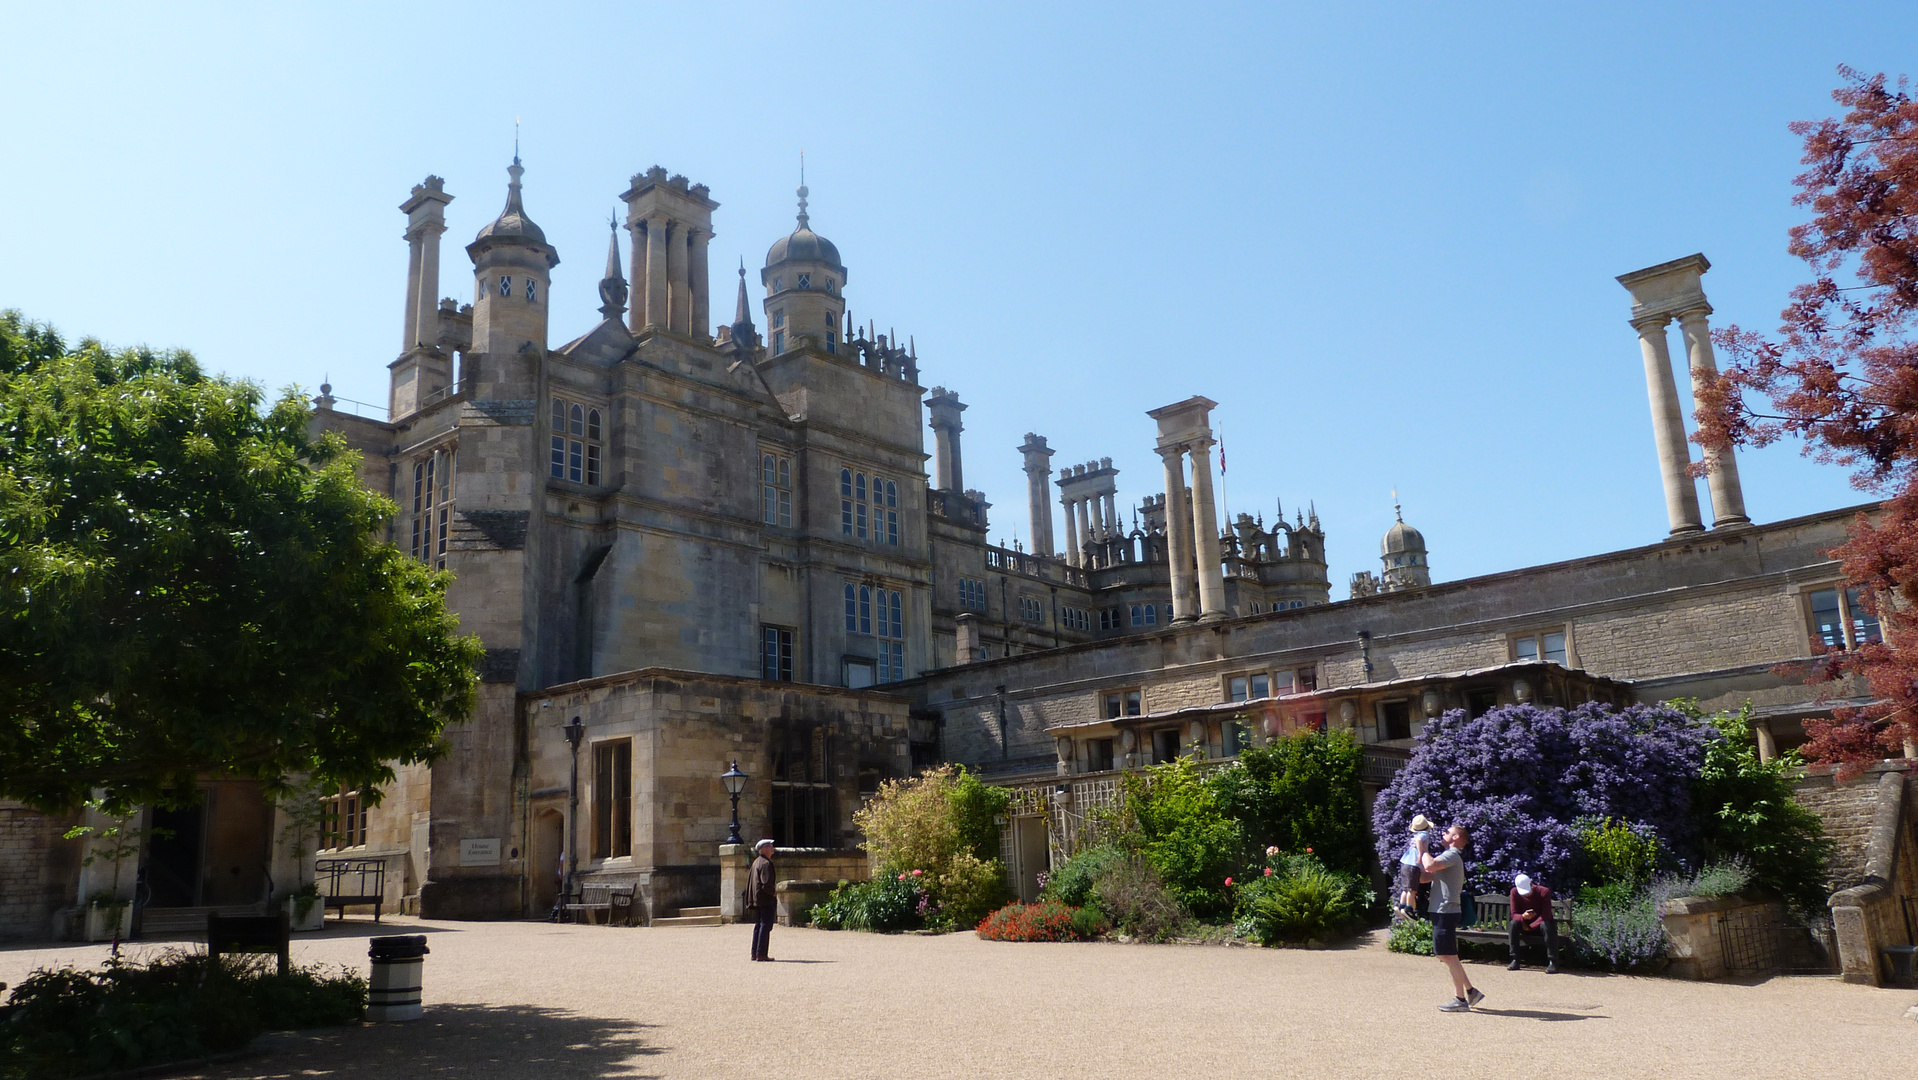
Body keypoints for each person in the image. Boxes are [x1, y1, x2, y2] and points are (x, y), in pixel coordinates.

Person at [1420, 824, 1483, 1012]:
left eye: (1447, 832)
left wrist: (1422, 848)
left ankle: (1461, 999)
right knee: (1448, 955)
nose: (1442, 833)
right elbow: (1425, 876)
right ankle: (1470, 992)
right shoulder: (1447, 857)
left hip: (1445, 911)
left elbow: (1430, 865)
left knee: (1446, 955)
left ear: (1456, 837)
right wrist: (1417, 857)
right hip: (1442, 911)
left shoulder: (1452, 855)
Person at [1507, 872, 1561, 974]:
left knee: (1546, 925)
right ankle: (1514, 959)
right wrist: (1523, 917)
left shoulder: (1544, 892)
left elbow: (1546, 915)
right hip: (1524, 925)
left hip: (1540, 926)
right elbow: (1514, 914)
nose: (1526, 894)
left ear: (1531, 884)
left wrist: (1531, 926)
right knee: (1513, 924)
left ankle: (1552, 962)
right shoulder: (1514, 892)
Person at [1396, 813, 1434, 918]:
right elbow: (1419, 840)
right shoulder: (1424, 835)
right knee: (1412, 889)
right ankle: (1409, 908)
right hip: (1413, 864)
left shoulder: (1415, 835)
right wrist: (1421, 854)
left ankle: (1401, 905)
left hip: (1405, 862)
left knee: (1405, 888)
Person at [747, 839, 778, 962]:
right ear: (763, 849)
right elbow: (766, 884)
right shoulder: (766, 863)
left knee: (758, 925)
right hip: (765, 899)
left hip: (757, 898)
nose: (772, 848)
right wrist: (774, 893)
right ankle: (761, 954)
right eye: (769, 846)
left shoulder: (756, 862)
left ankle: (755, 953)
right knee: (765, 925)